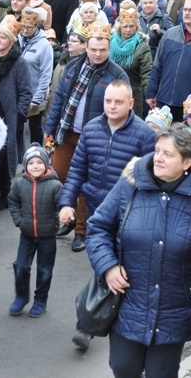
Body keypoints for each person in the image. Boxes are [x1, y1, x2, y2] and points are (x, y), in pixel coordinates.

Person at [87, 125, 191, 377]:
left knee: (161, 373)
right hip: (129, 300)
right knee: (123, 367)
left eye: (167, 154)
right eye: (157, 150)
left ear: (187, 162)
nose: (158, 158)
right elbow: (97, 227)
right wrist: (107, 266)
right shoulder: (129, 185)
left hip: (175, 307)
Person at [60, 79, 155, 348]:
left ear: (131, 104)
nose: (112, 106)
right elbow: (77, 170)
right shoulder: (91, 130)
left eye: (118, 102)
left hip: (128, 214)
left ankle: (91, 323)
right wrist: (67, 203)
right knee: (103, 262)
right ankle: (94, 321)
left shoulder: (144, 135)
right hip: (95, 212)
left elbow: (149, 178)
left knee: (111, 264)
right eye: (108, 101)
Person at [45, 23, 130, 251]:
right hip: (67, 132)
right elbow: (59, 100)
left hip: (94, 139)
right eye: (93, 49)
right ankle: (69, 217)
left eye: (102, 50)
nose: (97, 54)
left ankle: (82, 231)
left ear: (109, 48)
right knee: (60, 176)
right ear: (87, 47)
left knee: (86, 186)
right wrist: (50, 128)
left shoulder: (117, 75)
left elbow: (123, 111)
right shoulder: (73, 66)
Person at [0, 16, 32, 211]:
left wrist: (19, 116)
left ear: (11, 40)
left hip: (7, 114)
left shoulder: (19, 62)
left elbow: (26, 91)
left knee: (3, 154)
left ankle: (5, 192)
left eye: (3, 37)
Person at [8, 143, 61, 318]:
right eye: (31, 163)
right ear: (25, 165)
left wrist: (61, 219)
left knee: (45, 270)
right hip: (27, 234)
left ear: (46, 164)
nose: (35, 166)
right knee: (21, 266)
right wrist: (19, 221)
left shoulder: (55, 185)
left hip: (48, 236)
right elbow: (13, 201)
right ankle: (21, 296)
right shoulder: (20, 184)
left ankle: (40, 300)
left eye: (39, 162)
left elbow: (63, 205)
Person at [18, 8, 53, 145]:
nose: (25, 30)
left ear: (36, 26)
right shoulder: (18, 39)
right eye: (24, 26)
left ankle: (37, 153)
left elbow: (46, 74)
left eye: (29, 27)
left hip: (34, 95)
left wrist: (37, 99)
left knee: (35, 128)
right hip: (18, 93)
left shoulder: (44, 45)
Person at [110, 8, 152, 117]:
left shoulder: (142, 46)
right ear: (119, 27)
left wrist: (149, 95)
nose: (128, 30)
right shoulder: (110, 42)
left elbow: (146, 73)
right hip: (110, 89)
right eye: (125, 27)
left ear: (136, 27)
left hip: (132, 92)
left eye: (132, 26)